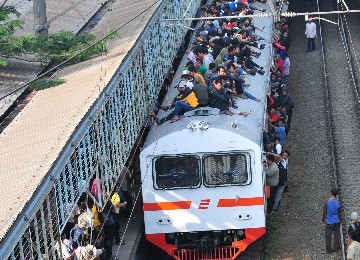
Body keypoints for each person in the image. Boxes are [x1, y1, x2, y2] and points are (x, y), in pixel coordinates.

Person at [322, 187, 342, 254]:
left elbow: (324, 212)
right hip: (336, 221)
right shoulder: (338, 202)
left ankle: (329, 250)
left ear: (331, 193)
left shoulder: (327, 202)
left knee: (328, 236)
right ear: (336, 194)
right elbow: (340, 213)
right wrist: (340, 221)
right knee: (336, 235)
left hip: (329, 222)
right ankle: (336, 248)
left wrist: (322, 220)